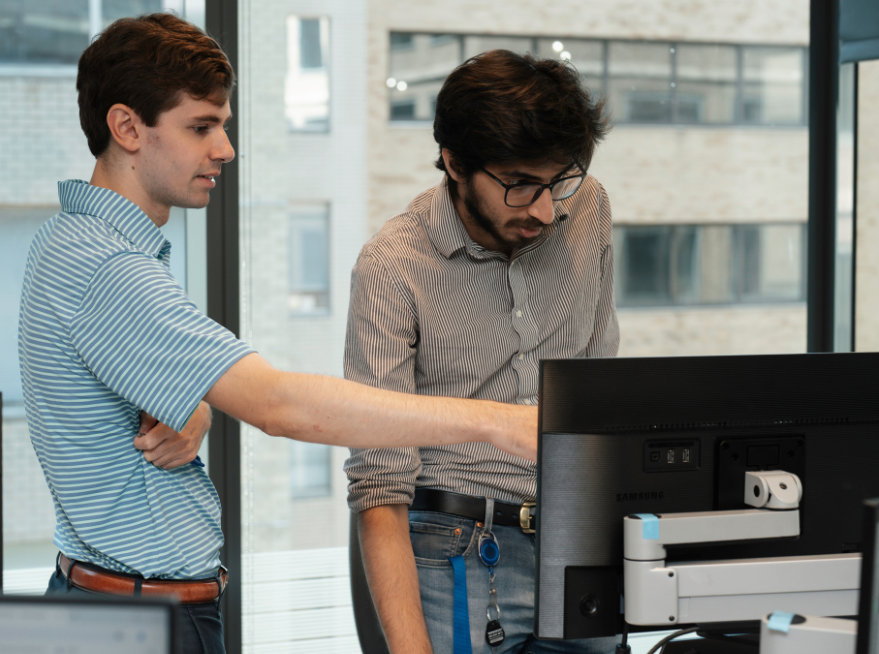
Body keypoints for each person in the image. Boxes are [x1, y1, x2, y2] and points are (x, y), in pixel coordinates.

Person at [18, 15, 535, 654]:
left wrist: (195, 404)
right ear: (127, 128)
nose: (225, 150)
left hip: (106, 604)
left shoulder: (71, 241)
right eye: (200, 127)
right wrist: (493, 423)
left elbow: (113, 375)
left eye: (224, 127)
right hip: (130, 621)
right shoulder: (108, 267)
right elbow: (280, 405)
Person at [345, 49, 618, 654]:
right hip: (450, 555)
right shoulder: (392, 266)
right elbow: (380, 483)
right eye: (519, 185)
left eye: (558, 180)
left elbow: (600, 386)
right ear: (455, 163)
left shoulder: (588, 207)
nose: (545, 210)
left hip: (580, 544)